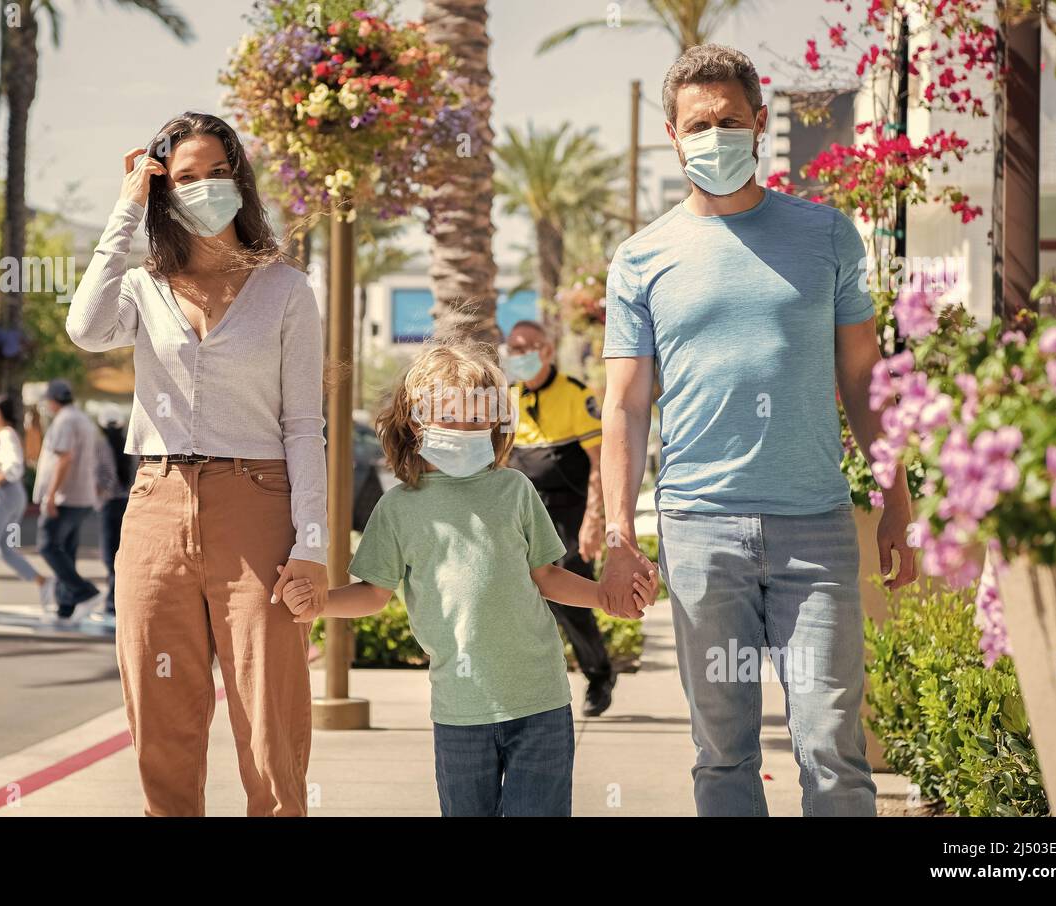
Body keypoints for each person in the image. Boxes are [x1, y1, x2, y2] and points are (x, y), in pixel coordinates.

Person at [598, 44, 918, 818]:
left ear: (761, 124)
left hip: (816, 526)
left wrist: (898, 496)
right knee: (723, 753)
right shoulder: (641, 259)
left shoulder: (828, 237)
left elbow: (863, 378)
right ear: (672, 136)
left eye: (730, 121)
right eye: (699, 124)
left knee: (833, 747)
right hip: (700, 528)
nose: (715, 135)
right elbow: (627, 405)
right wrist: (616, 529)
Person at [65, 111, 328, 817]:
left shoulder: (286, 291)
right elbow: (85, 328)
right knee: (161, 719)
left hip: (257, 503)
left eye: (218, 172)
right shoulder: (144, 287)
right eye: (186, 177)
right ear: (163, 191)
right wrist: (125, 211)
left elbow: (305, 426)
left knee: (270, 723)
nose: (206, 187)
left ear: (239, 178)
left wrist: (313, 544)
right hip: (155, 500)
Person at [278, 343, 657, 817]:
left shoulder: (515, 490)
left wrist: (603, 596)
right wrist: (322, 603)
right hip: (459, 711)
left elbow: (546, 577)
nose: (466, 430)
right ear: (416, 422)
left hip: (540, 701)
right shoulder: (398, 508)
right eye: (450, 418)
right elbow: (375, 593)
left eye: (478, 420)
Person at [502, 321, 616, 716]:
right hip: (525, 512)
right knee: (522, 598)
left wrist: (594, 521)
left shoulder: (575, 395)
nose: (519, 356)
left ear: (547, 350)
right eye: (513, 349)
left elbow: (600, 463)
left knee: (571, 597)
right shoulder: (508, 399)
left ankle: (599, 673)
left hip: (570, 511)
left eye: (527, 348)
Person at [0, 395, 53, 612]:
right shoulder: (3, 434)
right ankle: (42, 582)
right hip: (10, 495)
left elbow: (14, 465)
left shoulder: (6, 435)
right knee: (3, 548)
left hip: (2, 494)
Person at [32, 379, 102, 625]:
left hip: (65, 497)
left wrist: (50, 495)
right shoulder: (82, 419)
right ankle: (66, 607)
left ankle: (84, 592)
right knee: (66, 550)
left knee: (47, 544)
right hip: (82, 496)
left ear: (52, 401)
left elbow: (64, 458)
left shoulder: (64, 421)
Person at [93, 404, 135, 623]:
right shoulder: (128, 442)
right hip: (128, 502)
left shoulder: (100, 445)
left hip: (109, 504)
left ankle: (111, 603)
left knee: (109, 555)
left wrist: (100, 492)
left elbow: (101, 474)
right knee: (123, 553)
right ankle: (118, 600)